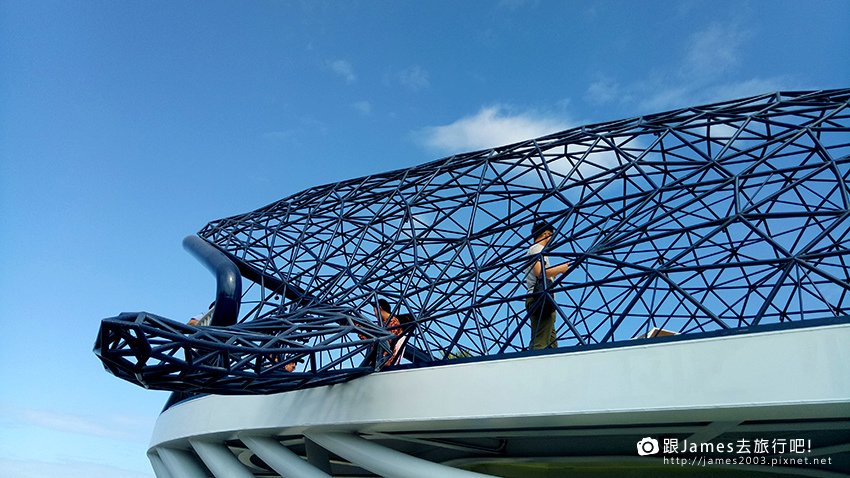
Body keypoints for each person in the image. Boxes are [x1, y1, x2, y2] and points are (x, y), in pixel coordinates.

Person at [524, 220, 570, 350]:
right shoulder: (537, 249)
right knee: (541, 343)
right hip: (540, 299)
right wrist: (560, 269)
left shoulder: (535, 250)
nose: (552, 240)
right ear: (545, 234)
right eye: (551, 236)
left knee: (550, 343)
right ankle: (535, 365)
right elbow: (540, 272)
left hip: (542, 299)